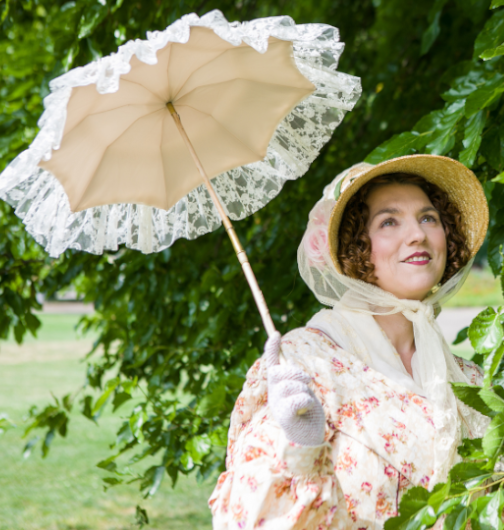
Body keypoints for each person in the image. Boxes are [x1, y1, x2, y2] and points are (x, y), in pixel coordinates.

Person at [209, 154, 491, 530]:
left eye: (428, 218)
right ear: (357, 246)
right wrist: (298, 450)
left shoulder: (470, 382)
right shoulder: (306, 364)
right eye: (389, 221)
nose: (417, 234)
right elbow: (244, 518)